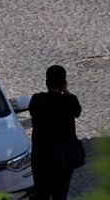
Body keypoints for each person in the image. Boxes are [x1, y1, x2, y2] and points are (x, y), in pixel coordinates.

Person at [28, 64, 83, 200]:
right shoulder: (70, 101)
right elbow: (77, 111)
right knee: (60, 195)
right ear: (64, 83)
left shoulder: (37, 100)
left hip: (41, 158)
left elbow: (32, 111)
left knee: (41, 194)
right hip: (62, 158)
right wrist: (66, 91)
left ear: (46, 82)